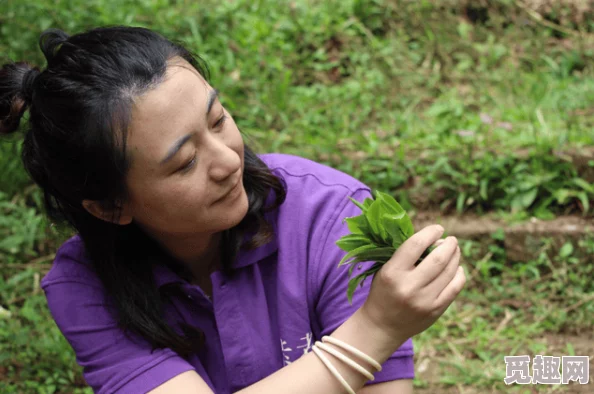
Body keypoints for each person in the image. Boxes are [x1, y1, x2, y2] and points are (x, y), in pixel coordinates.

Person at [0, 26, 466, 394]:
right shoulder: (86, 285)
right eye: (185, 162)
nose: (228, 162)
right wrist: (375, 328)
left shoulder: (333, 217)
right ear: (109, 206)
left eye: (218, 119)